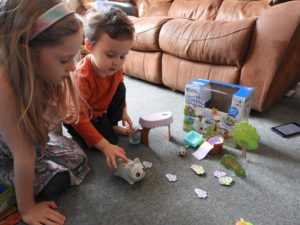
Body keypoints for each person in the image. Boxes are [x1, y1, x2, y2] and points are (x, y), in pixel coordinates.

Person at [0, 1, 90, 224]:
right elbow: (23, 153)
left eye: (75, 56)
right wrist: (28, 208)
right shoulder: (4, 84)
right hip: (8, 150)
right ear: (28, 52)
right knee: (54, 180)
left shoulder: (38, 70)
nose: (72, 67)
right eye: (64, 59)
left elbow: (46, 129)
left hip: (27, 144)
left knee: (77, 157)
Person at [64, 7, 135, 169]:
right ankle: (103, 129)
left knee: (120, 86)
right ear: (90, 46)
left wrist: (123, 110)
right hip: (77, 117)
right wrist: (104, 146)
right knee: (110, 142)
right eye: (110, 55)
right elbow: (78, 119)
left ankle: (111, 124)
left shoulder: (115, 68)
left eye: (122, 56)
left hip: (97, 110)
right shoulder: (82, 77)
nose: (117, 62)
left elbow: (119, 88)